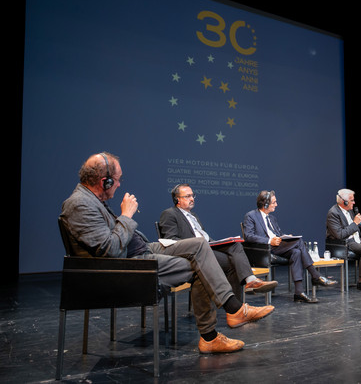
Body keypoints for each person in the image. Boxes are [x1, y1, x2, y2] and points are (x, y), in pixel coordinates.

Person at [60, 152, 274, 354]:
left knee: (200, 246)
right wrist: (126, 215)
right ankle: (215, 331)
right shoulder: (79, 204)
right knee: (199, 264)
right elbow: (110, 250)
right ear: (104, 181)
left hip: (141, 249)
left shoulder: (92, 200)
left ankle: (232, 313)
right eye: (117, 180)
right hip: (128, 264)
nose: (118, 184)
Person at [158, 184, 278, 300]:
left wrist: (221, 242)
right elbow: (172, 241)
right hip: (195, 252)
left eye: (192, 195)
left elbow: (204, 236)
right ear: (177, 199)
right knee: (234, 263)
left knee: (235, 244)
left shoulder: (192, 215)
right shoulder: (169, 214)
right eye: (187, 196)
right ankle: (237, 307)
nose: (192, 199)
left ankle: (250, 281)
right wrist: (197, 244)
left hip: (207, 246)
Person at [243, 190, 337, 303]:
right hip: (264, 250)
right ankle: (315, 275)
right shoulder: (251, 216)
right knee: (298, 242)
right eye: (274, 202)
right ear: (265, 204)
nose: (276, 205)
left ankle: (299, 292)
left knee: (296, 252)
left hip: (277, 246)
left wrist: (286, 237)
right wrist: (269, 241)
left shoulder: (272, 218)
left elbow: (278, 234)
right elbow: (248, 236)